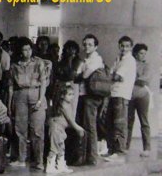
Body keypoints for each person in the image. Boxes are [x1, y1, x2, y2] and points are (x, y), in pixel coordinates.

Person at [8, 37, 48, 169]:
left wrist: (41, 99)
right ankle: (21, 158)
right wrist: (9, 104)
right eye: (24, 50)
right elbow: (11, 87)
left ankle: (39, 161)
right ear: (19, 51)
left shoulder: (39, 62)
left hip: (36, 93)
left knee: (37, 129)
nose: (27, 52)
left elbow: (43, 83)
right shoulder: (14, 66)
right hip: (20, 95)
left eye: (29, 49)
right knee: (20, 129)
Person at [104, 36, 137, 161]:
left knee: (119, 123)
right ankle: (111, 149)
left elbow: (116, 76)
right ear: (119, 46)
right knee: (110, 123)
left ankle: (119, 151)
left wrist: (113, 75)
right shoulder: (118, 59)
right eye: (122, 45)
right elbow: (112, 74)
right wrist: (113, 75)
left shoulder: (129, 61)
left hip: (122, 95)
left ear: (131, 47)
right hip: (113, 93)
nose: (124, 48)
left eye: (127, 46)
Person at [75, 34, 105, 166]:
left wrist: (79, 74)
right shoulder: (86, 59)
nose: (87, 47)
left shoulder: (96, 59)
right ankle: (85, 155)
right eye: (85, 44)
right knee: (84, 125)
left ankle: (92, 157)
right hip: (83, 95)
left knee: (90, 126)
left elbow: (83, 75)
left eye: (90, 44)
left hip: (91, 97)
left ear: (96, 46)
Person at [46, 84, 85, 175]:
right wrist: (78, 128)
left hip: (61, 129)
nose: (72, 97)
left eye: (73, 94)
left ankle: (60, 165)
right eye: (69, 94)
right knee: (54, 147)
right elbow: (70, 120)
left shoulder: (67, 104)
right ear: (62, 95)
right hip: (56, 129)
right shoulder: (64, 105)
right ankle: (50, 165)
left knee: (61, 147)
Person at [127, 43, 152, 156]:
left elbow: (144, 80)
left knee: (144, 121)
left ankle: (147, 148)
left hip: (142, 96)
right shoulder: (129, 62)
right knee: (128, 121)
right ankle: (125, 146)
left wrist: (133, 78)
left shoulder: (146, 65)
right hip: (129, 96)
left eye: (144, 54)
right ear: (135, 53)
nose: (143, 55)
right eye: (141, 53)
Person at [54, 40, 83, 119]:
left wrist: (70, 61)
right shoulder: (62, 61)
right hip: (61, 85)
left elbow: (71, 76)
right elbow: (57, 74)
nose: (69, 51)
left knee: (71, 107)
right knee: (60, 106)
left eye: (72, 49)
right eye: (68, 49)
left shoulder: (78, 62)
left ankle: (70, 127)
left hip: (72, 86)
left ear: (76, 51)